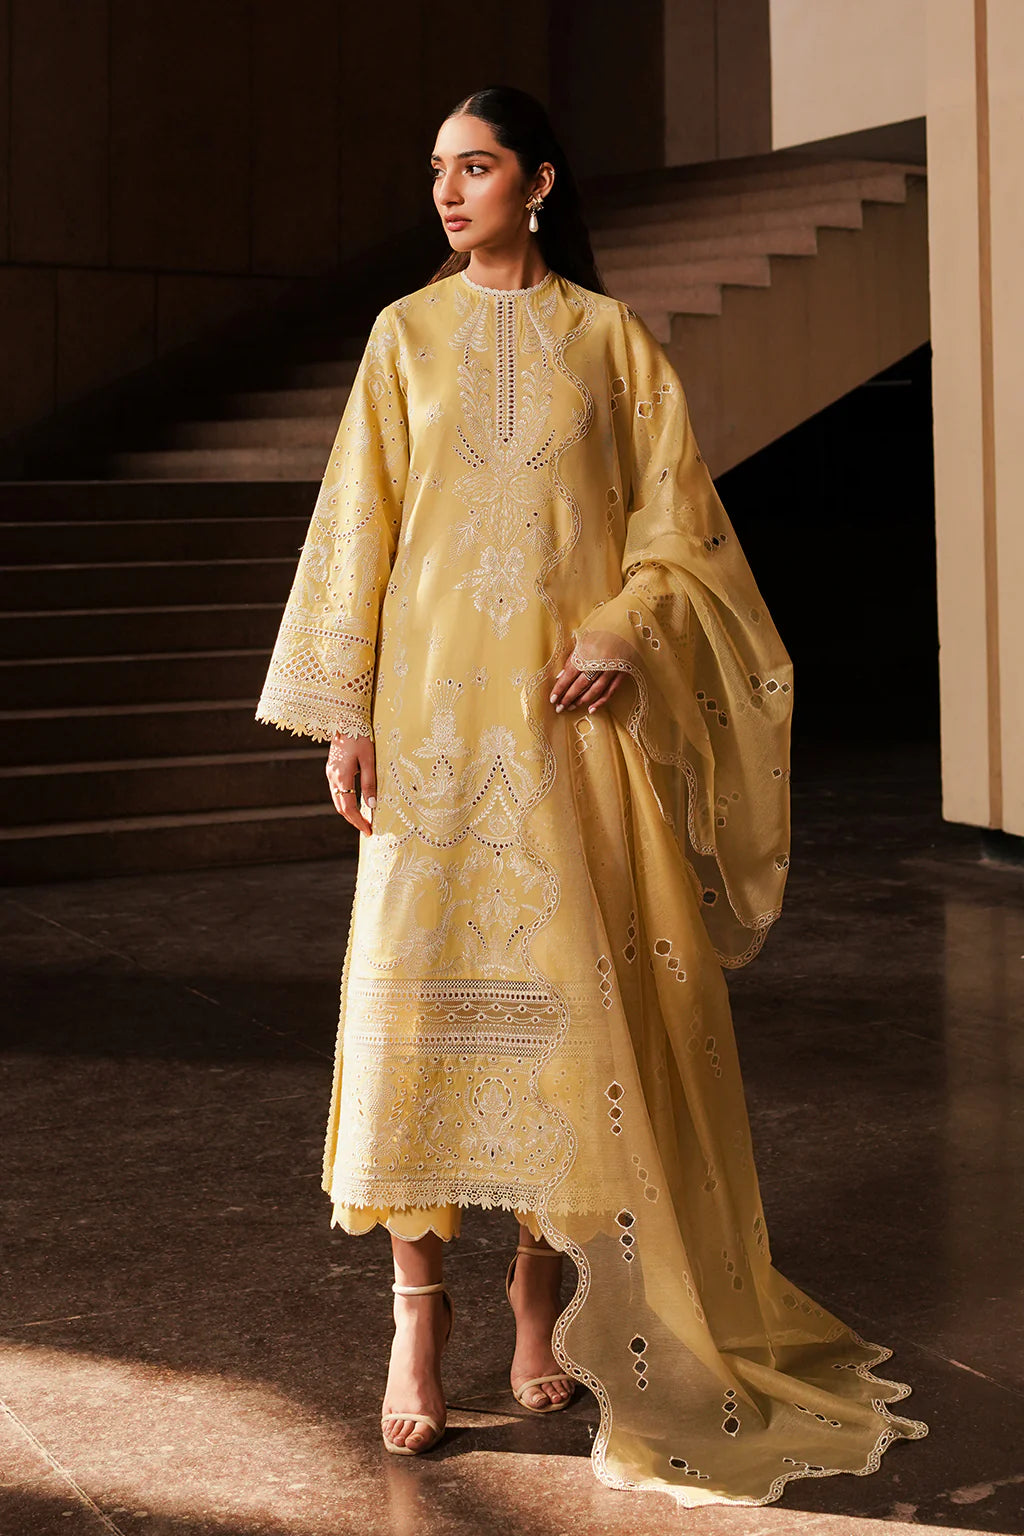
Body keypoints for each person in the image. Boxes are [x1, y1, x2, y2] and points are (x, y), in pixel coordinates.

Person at [255, 84, 928, 1506]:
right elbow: (356, 528)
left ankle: (537, 1304)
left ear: (540, 181)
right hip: (435, 733)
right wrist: (346, 715)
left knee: (571, 1017)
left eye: (476, 166)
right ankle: (417, 1329)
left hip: (568, 736)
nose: (449, 191)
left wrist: (625, 627)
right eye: (438, 170)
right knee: (417, 1019)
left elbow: (681, 532)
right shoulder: (404, 337)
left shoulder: (613, 344)